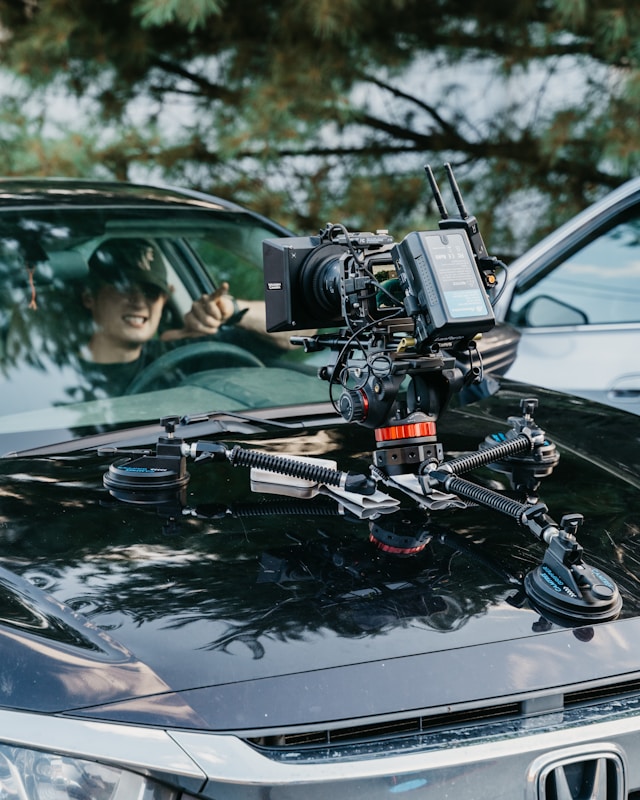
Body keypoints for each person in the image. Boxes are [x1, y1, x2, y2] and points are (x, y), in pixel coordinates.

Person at [78, 237, 284, 397]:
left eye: (150, 293)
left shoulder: (183, 357)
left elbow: (298, 329)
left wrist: (231, 310)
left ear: (165, 299)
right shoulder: (60, 377)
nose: (139, 302)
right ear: (89, 296)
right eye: (124, 288)